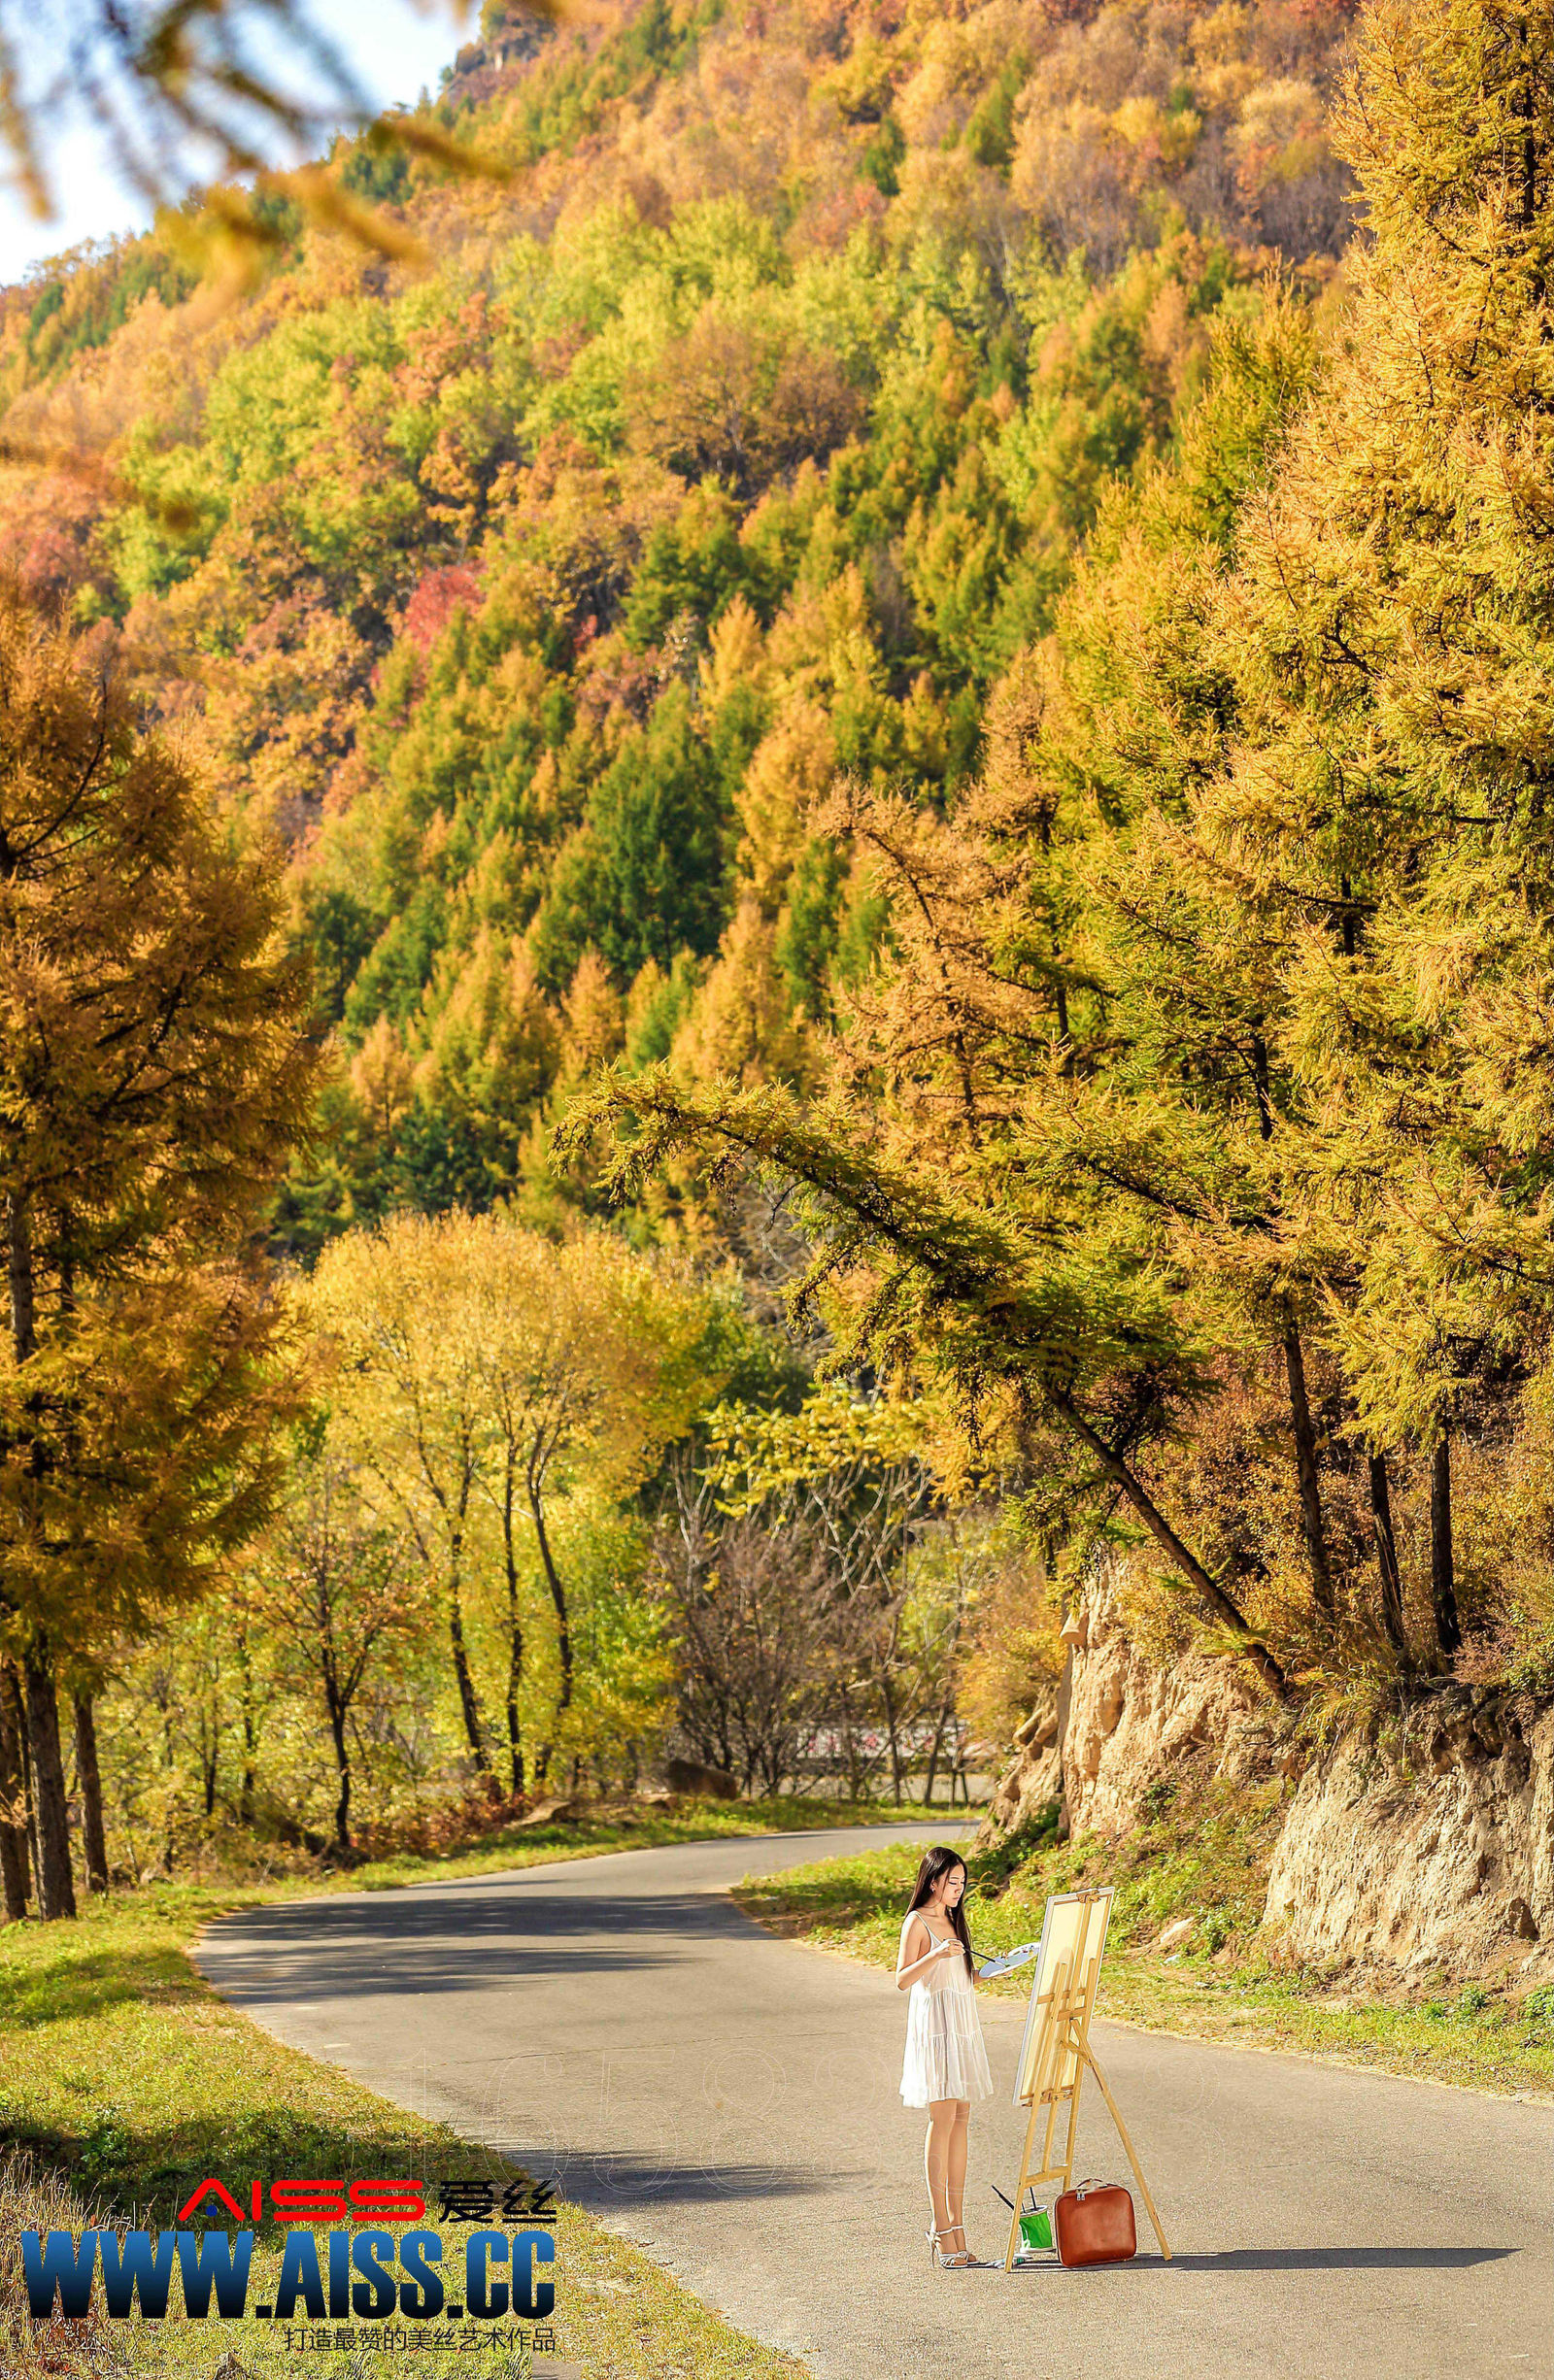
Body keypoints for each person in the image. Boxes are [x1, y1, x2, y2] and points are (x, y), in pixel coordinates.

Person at [896, 1844, 994, 2268]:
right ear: (933, 1881)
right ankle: (940, 2229)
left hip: (960, 2029)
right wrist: (935, 1953)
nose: (958, 1889)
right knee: (942, 2120)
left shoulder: (955, 1919)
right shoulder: (917, 1921)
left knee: (961, 2121)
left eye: (962, 1883)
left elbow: (960, 1977)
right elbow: (903, 1979)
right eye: (953, 1882)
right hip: (934, 2032)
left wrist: (988, 1972)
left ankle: (958, 2227)